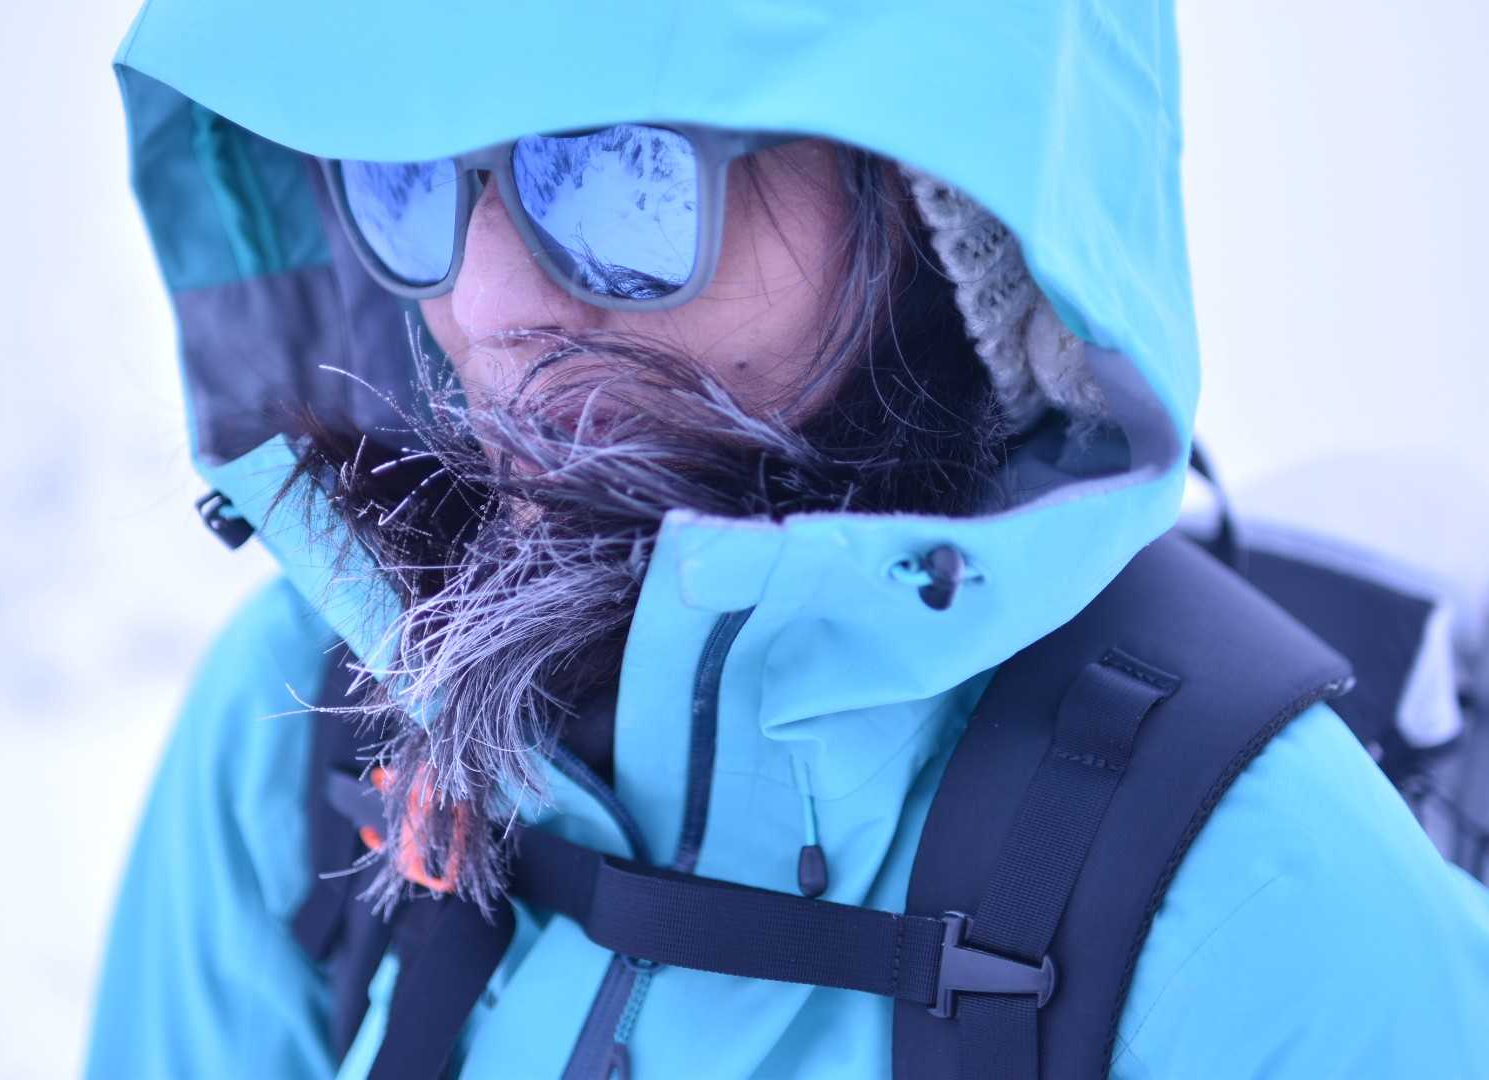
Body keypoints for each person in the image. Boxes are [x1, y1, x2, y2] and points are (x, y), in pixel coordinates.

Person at [89, 2, 1489, 1077]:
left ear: (939, 205)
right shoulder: (315, 717)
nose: (485, 307)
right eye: (402, 174)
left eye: (615, 172)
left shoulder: (1272, 926)